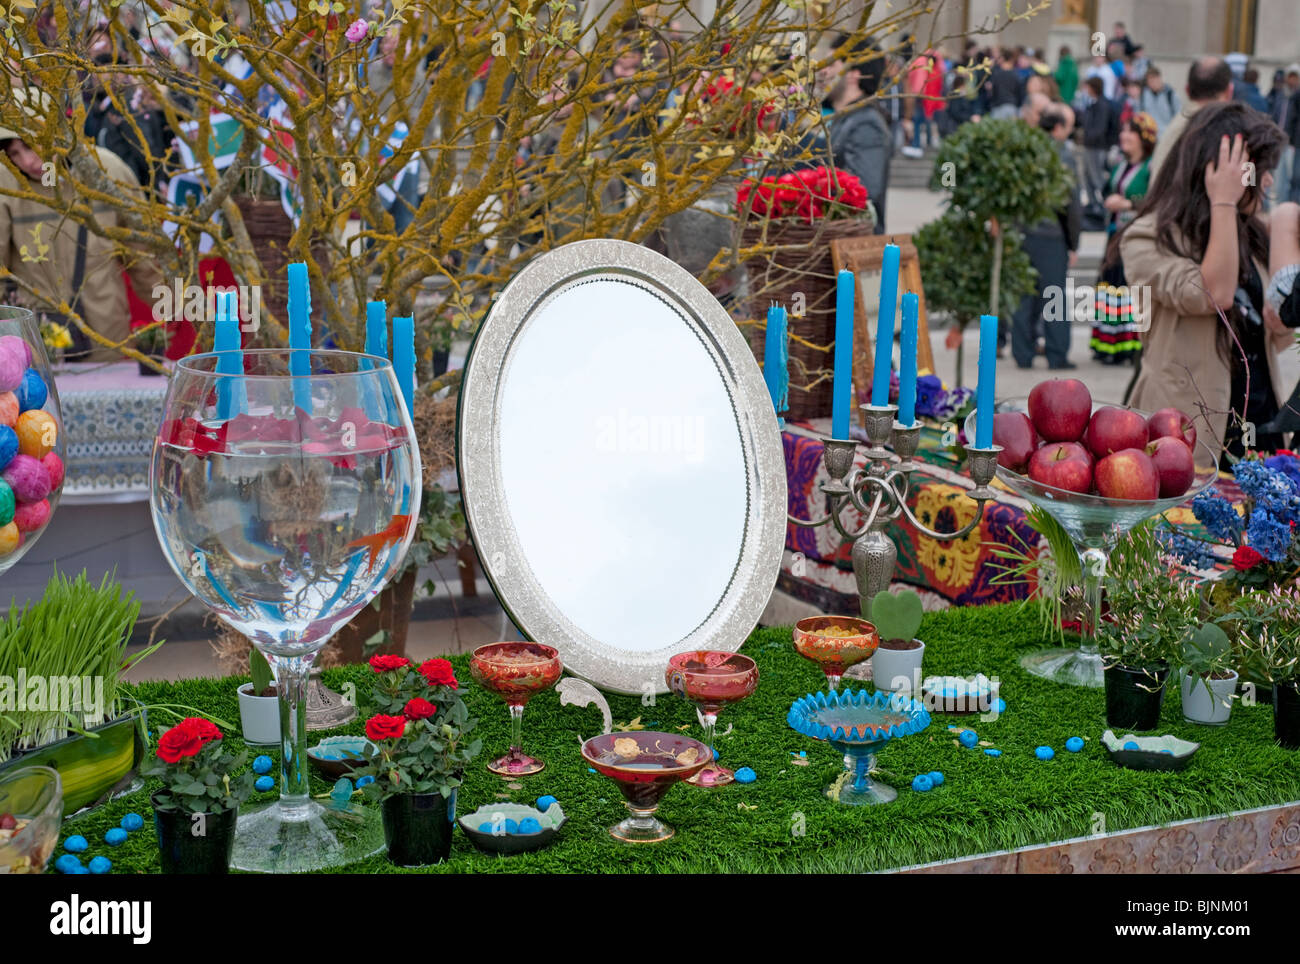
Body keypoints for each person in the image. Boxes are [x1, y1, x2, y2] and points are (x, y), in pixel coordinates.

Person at [1120, 101, 1289, 462]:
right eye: (1259, 169)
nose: (1268, 181)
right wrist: (1224, 202)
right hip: (1185, 438)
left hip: (1260, 430)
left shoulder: (1253, 234)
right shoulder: (1147, 238)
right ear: (1215, 168)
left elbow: (1276, 335)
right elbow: (1214, 294)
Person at [0, 87, 162, 362]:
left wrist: (171, 313)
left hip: (105, 331)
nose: (26, 162)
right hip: (35, 340)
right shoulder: (5, 184)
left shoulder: (107, 170)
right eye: (14, 152)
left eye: (31, 145)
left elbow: (143, 255)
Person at [1011, 104, 1081, 369]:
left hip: (1024, 233)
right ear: (1059, 128)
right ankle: (1056, 353)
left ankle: (1022, 353)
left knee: (1023, 295)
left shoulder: (1025, 152)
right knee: (1054, 297)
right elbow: (1073, 203)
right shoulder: (1064, 155)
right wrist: (1074, 241)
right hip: (1053, 235)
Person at [1090, 113, 1157, 365]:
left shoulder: (1151, 167)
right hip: (1114, 237)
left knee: (1130, 291)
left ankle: (1130, 348)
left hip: (1138, 239)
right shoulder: (1119, 164)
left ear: (1143, 139)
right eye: (1123, 131)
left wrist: (1128, 203)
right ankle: (1109, 347)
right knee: (1111, 289)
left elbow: (1157, 202)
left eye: (1131, 132)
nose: (1123, 136)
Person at [824, 36, 890, 234]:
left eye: (831, 65)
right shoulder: (847, 118)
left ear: (853, 75)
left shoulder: (866, 123)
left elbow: (865, 188)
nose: (823, 71)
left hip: (853, 248)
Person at [1149, 56, 1233, 179]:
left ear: (1187, 90)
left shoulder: (1174, 128)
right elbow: (1249, 180)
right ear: (1229, 91)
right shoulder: (1226, 129)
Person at [1078, 76, 1118, 215]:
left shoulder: (1102, 105)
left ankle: (1106, 203)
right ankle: (1093, 204)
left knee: (1097, 177)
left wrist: (1088, 137)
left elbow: (1100, 128)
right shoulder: (1092, 104)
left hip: (1097, 147)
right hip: (1090, 146)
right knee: (1087, 176)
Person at [1140, 67, 1180, 135]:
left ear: (1160, 78)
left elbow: (1178, 117)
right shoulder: (1143, 95)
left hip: (1167, 136)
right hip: (1149, 137)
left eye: (1154, 80)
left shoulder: (1170, 95)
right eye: (1150, 81)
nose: (1152, 84)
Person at [986, 48, 1022, 120]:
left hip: (998, 107)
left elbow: (993, 92)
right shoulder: (1016, 75)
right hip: (1012, 106)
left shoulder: (997, 74)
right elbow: (1019, 92)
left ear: (1002, 59)